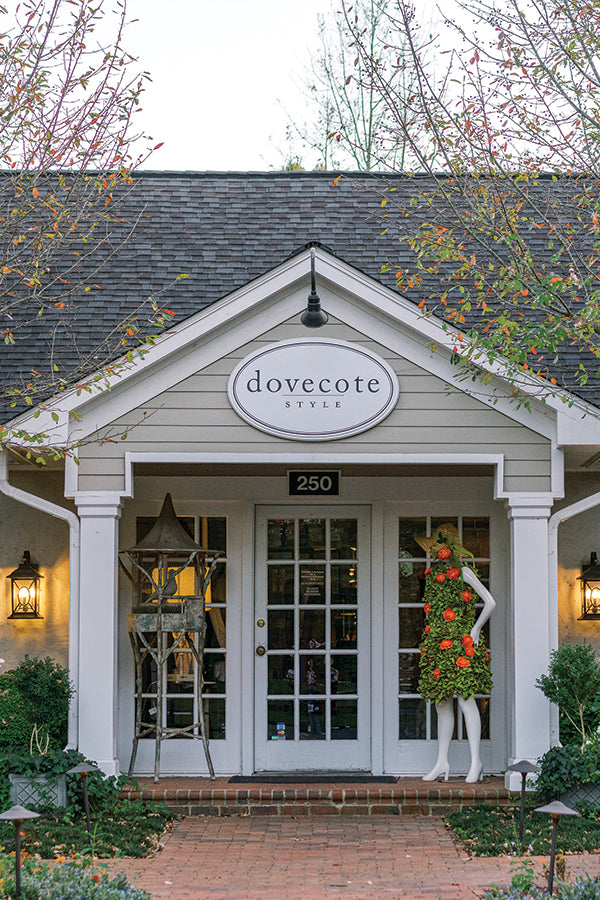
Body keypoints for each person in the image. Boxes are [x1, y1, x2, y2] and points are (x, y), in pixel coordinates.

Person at [416, 524, 495, 783]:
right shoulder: (432, 577)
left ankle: (476, 762)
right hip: (439, 641)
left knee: (464, 699)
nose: (436, 554)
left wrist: (475, 628)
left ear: (448, 550)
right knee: (441, 702)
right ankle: (442, 762)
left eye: (439, 549)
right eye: (433, 550)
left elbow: (490, 602)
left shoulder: (464, 572)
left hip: (461, 642)